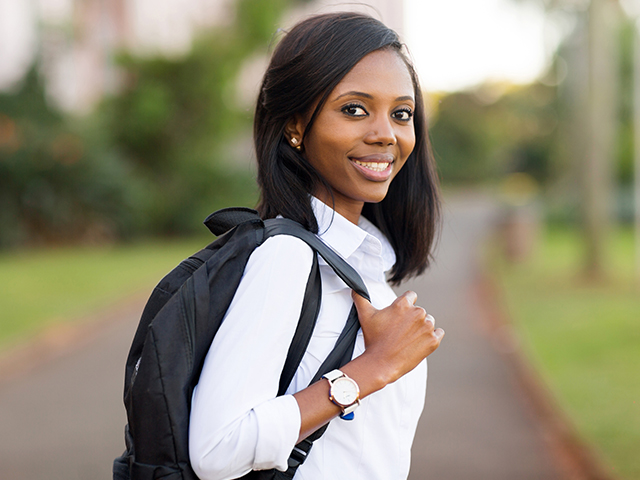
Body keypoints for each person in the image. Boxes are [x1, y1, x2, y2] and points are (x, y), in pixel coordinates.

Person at [189, 12, 444, 480]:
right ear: (295, 126)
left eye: (401, 114)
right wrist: (373, 368)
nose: (385, 133)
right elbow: (217, 447)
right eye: (354, 109)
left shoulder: (361, 261)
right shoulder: (287, 258)